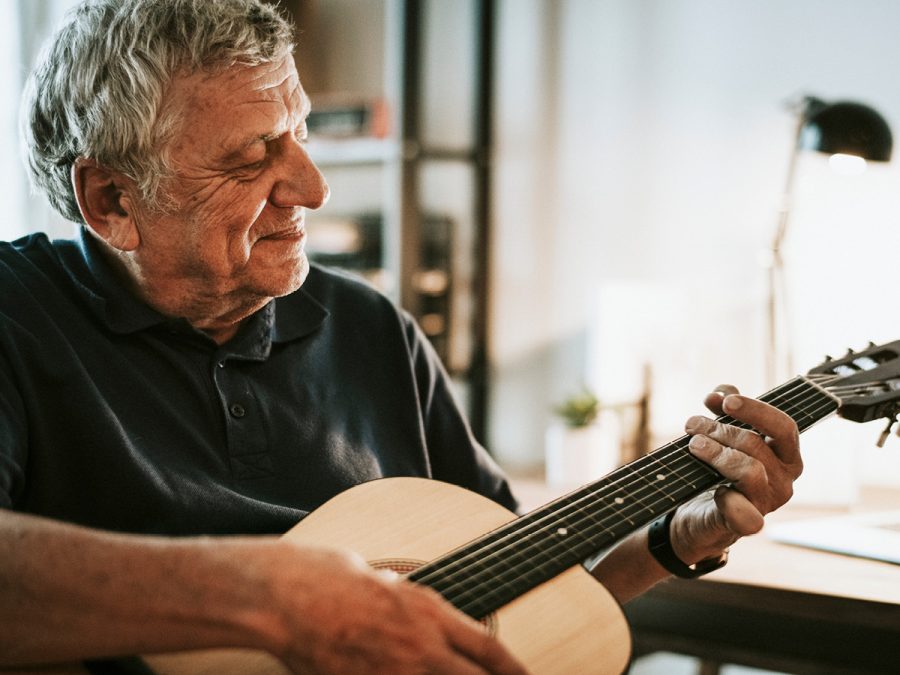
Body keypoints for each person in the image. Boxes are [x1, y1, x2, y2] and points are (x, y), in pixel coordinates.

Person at [0, 0, 802, 673]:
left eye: (302, 133)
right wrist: (274, 597)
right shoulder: (14, 315)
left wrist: (672, 535)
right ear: (110, 199)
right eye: (252, 157)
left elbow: (508, 589)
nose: (312, 187)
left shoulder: (371, 328)